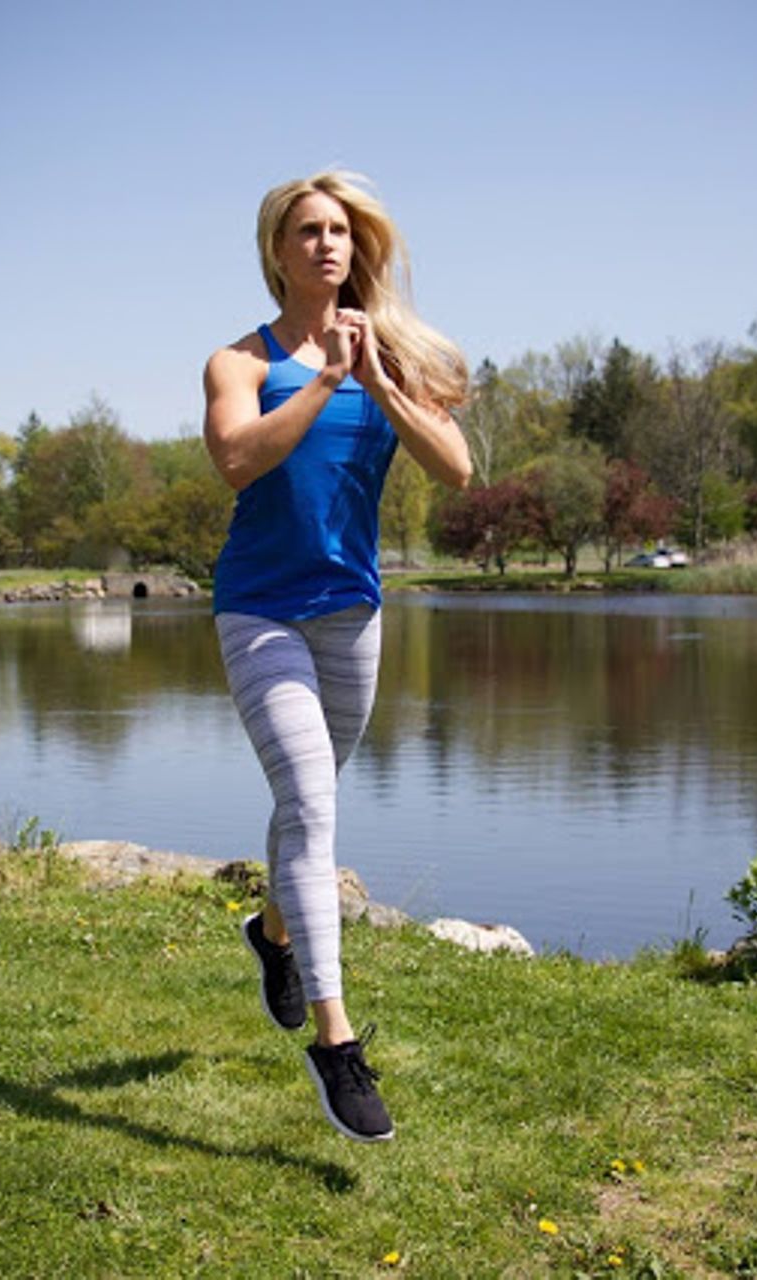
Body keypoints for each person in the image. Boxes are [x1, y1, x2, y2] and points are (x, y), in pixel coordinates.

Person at [202, 172, 471, 1141]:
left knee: (302, 809)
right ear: (278, 250)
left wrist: (379, 382)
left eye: (341, 232)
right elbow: (237, 460)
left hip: (353, 612)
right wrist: (320, 381)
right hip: (260, 609)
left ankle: (272, 933)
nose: (327, 245)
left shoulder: (388, 352)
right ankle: (337, 1043)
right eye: (309, 231)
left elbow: (456, 466)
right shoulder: (241, 359)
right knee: (312, 804)